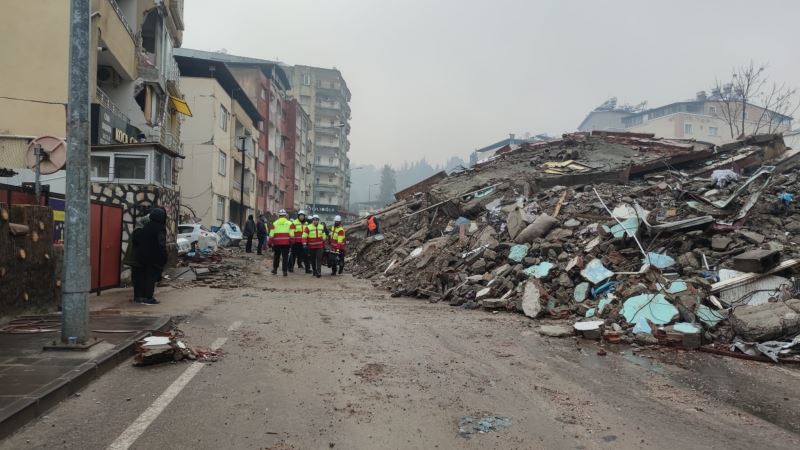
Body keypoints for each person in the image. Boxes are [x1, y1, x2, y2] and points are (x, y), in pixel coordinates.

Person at [134, 207, 168, 304]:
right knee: (151, 277)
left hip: (142, 256)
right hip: (153, 257)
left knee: (143, 276)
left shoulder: (146, 226)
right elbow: (161, 243)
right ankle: (149, 297)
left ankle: (141, 296)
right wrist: (164, 256)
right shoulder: (160, 228)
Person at [123, 215, 149, 302]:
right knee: (139, 278)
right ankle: (138, 297)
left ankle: (139, 296)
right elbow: (139, 245)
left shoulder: (138, 230)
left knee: (139, 278)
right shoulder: (139, 231)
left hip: (136, 259)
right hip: (136, 259)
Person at [269, 209, 294, 276]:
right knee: (285, 257)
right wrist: (292, 242)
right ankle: (284, 271)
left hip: (277, 243)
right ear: (285, 215)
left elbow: (271, 234)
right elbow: (292, 234)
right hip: (286, 243)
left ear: (279, 215)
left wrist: (270, 243)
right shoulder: (290, 223)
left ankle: (275, 269)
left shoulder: (274, 223)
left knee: (276, 256)